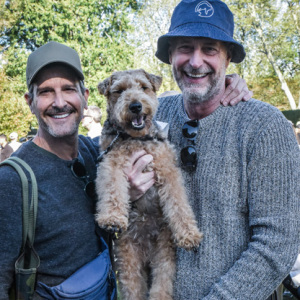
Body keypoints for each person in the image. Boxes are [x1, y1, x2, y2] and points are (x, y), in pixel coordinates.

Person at [0, 41, 250, 298]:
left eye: (68, 89)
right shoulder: (12, 180)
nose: (60, 102)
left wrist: (223, 84)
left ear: (85, 98)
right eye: (45, 92)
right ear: (29, 101)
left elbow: (175, 103)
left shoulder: (94, 148)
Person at [129, 0, 300, 299]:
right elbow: (102, 165)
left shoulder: (264, 126)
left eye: (210, 49)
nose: (196, 61)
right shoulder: (152, 117)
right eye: (185, 47)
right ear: (170, 55)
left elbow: (277, 242)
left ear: (228, 57)